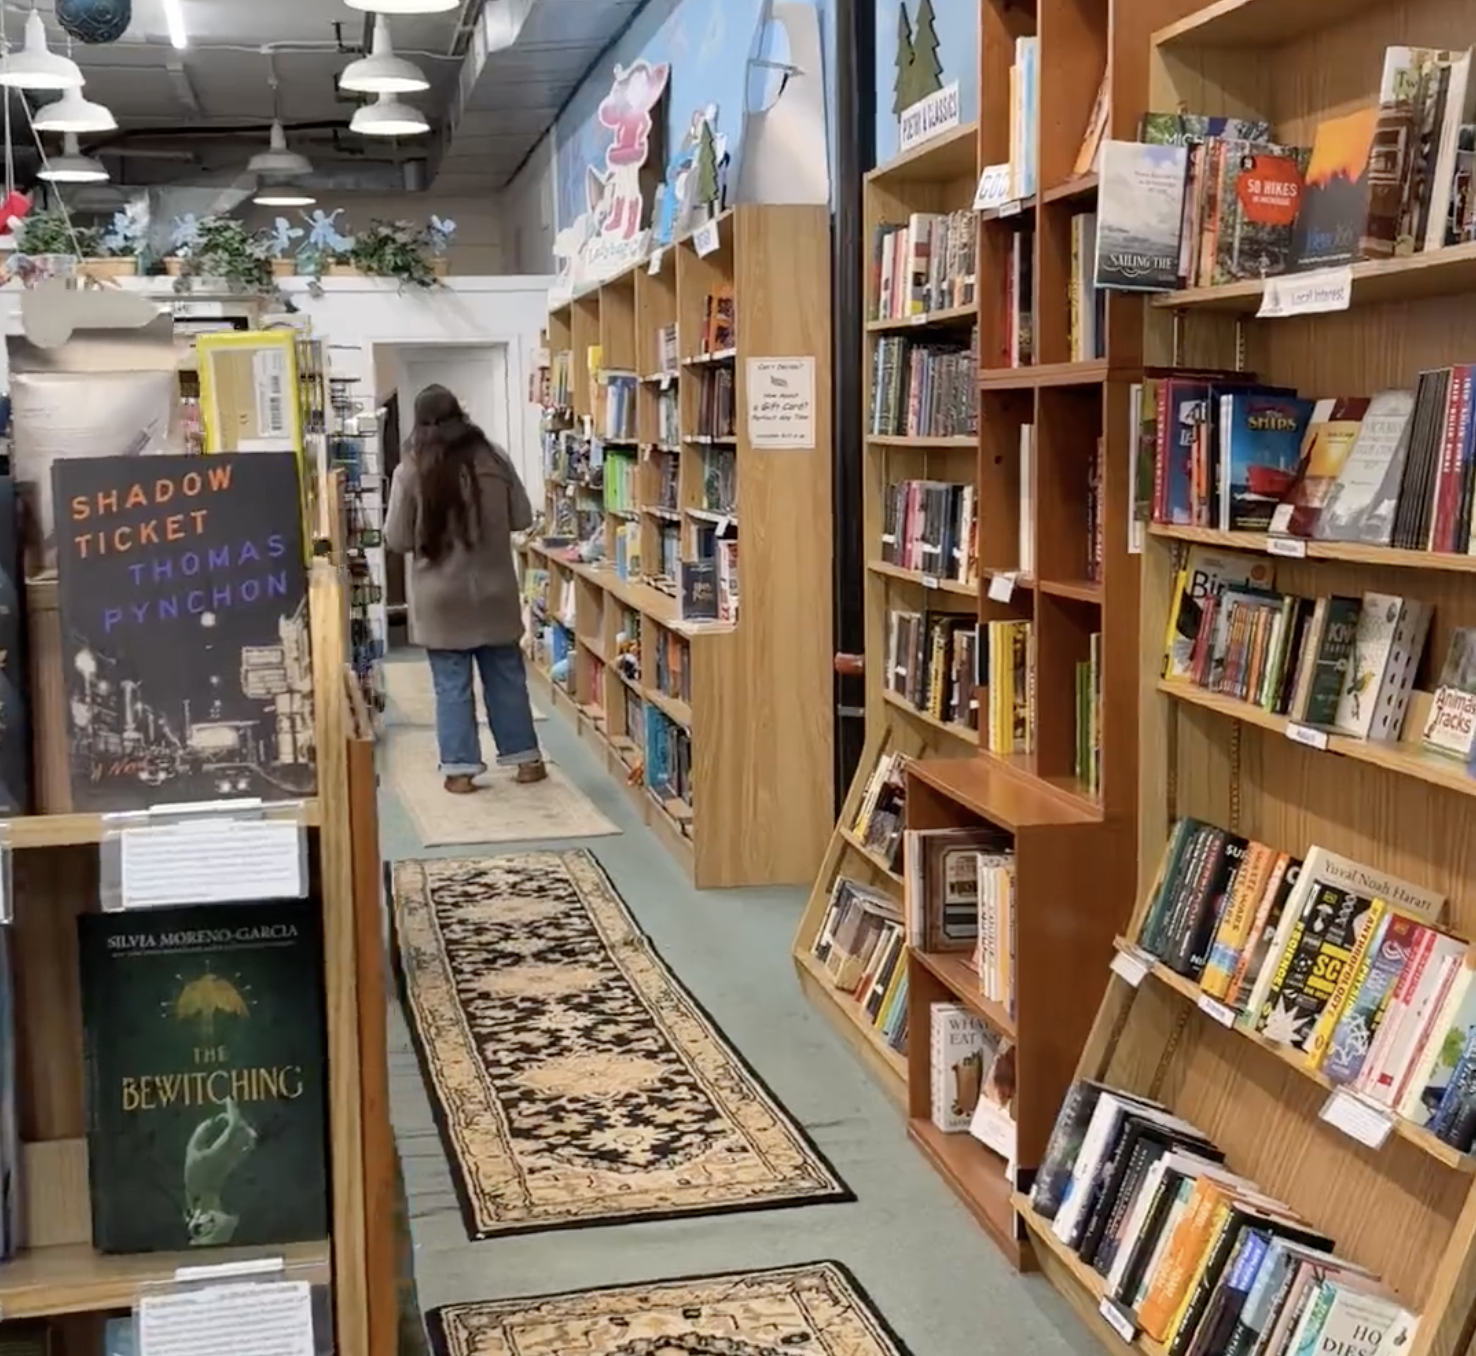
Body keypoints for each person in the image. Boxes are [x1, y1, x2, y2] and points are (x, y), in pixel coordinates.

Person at [384, 384, 546, 793]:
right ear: (462, 414)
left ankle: (460, 770)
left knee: (451, 685)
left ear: (420, 424)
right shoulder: (494, 458)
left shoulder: (411, 469)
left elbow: (397, 539)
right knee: (507, 676)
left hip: (441, 600)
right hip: (493, 591)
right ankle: (526, 760)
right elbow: (523, 516)